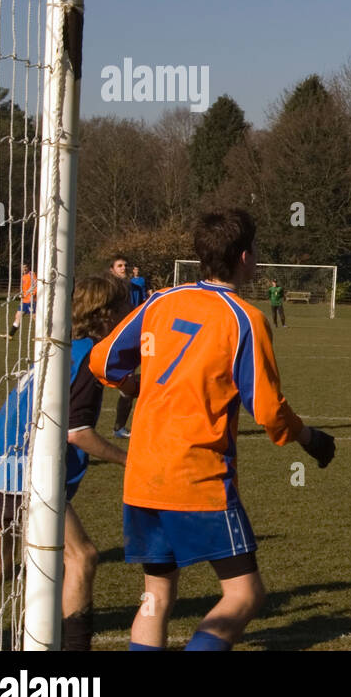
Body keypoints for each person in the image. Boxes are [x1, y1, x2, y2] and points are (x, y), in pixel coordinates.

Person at [90, 209, 336, 651]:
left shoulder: (160, 301)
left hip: (144, 474)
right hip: (196, 477)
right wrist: (309, 438)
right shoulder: (244, 319)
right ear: (245, 257)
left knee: (155, 595)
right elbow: (267, 409)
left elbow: (103, 362)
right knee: (244, 593)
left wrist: (138, 385)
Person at [0, 274, 131, 651]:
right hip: (24, 473)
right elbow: (77, 432)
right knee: (82, 556)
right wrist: (131, 460)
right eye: (123, 308)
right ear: (105, 315)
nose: (129, 314)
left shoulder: (60, 348)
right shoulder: (86, 357)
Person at [109, 255, 136, 439]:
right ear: (112, 269)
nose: (123, 268)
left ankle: (119, 427)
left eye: (125, 265)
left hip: (125, 343)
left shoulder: (133, 288)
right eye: (119, 265)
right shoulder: (107, 290)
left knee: (128, 387)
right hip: (106, 343)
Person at [2, 262, 35, 339]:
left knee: (35, 318)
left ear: (28, 267)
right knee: (17, 316)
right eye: (23, 267)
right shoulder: (23, 276)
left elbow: (36, 285)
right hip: (24, 301)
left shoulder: (32, 274)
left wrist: (33, 294)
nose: (24, 269)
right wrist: (22, 294)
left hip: (31, 301)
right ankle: (10, 335)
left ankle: (42, 334)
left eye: (25, 267)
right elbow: (25, 288)